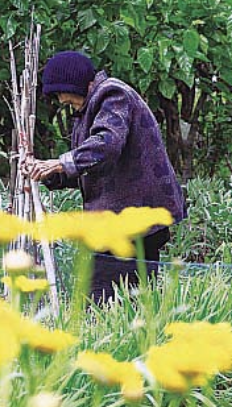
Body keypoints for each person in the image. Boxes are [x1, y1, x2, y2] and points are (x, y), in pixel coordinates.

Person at [25, 50, 186, 304]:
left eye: (62, 95)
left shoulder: (112, 95)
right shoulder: (89, 106)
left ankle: (114, 341)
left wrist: (61, 162)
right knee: (130, 300)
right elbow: (91, 164)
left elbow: (106, 146)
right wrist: (48, 172)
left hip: (136, 217)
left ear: (76, 84)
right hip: (123, 216)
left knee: (105, 299)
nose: (61, 101)